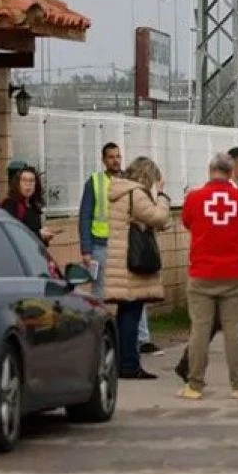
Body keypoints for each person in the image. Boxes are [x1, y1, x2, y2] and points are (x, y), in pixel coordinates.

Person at [176, 147, 238, 387]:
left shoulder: (193, 198)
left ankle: (194, 380)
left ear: (210, 171)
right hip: (234, 271)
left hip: (202, 271)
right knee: (234, 332)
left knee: (199, 331)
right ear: (231, 171)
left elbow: (188, 223)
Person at [104, 156, 172, 380]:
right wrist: (162, 195)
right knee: (131, 315)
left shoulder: (119, 191)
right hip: (131, 263)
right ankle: (130, 365)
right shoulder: (136, 193)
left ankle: (122, 362)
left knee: (126, 313)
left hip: (119, 259)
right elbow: (158, 217)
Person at [79, 142, 122, 298]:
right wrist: (86, 250)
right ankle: (98, 322)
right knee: (99, 292)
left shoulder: (129, 181)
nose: (115, 160)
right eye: (111, 157)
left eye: (118, 156)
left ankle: (128, 323)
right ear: (103, 160)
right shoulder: (94, 182)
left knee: (130, 292)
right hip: (100, 246)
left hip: (124, 245)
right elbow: (85, 216)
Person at [0, 165, 57, 246]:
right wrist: (39, 234)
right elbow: (11, 234)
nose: (28, 184)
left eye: (31, 181)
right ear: (17, 184)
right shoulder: (10, 204)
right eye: (24, 180)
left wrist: (45, 238)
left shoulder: (34, 207)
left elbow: (37, 242)